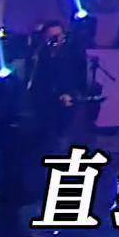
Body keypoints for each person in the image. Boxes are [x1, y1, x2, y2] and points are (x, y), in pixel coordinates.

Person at [25, 20, 88, 150]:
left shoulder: (72, 54)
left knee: (62, 136)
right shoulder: (41, 54)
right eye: (52, 37)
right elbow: (36, 79)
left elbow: (78, 78)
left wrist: (70, 94)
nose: (57, 39)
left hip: (66, 100)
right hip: (43, 101)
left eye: (59, 36)